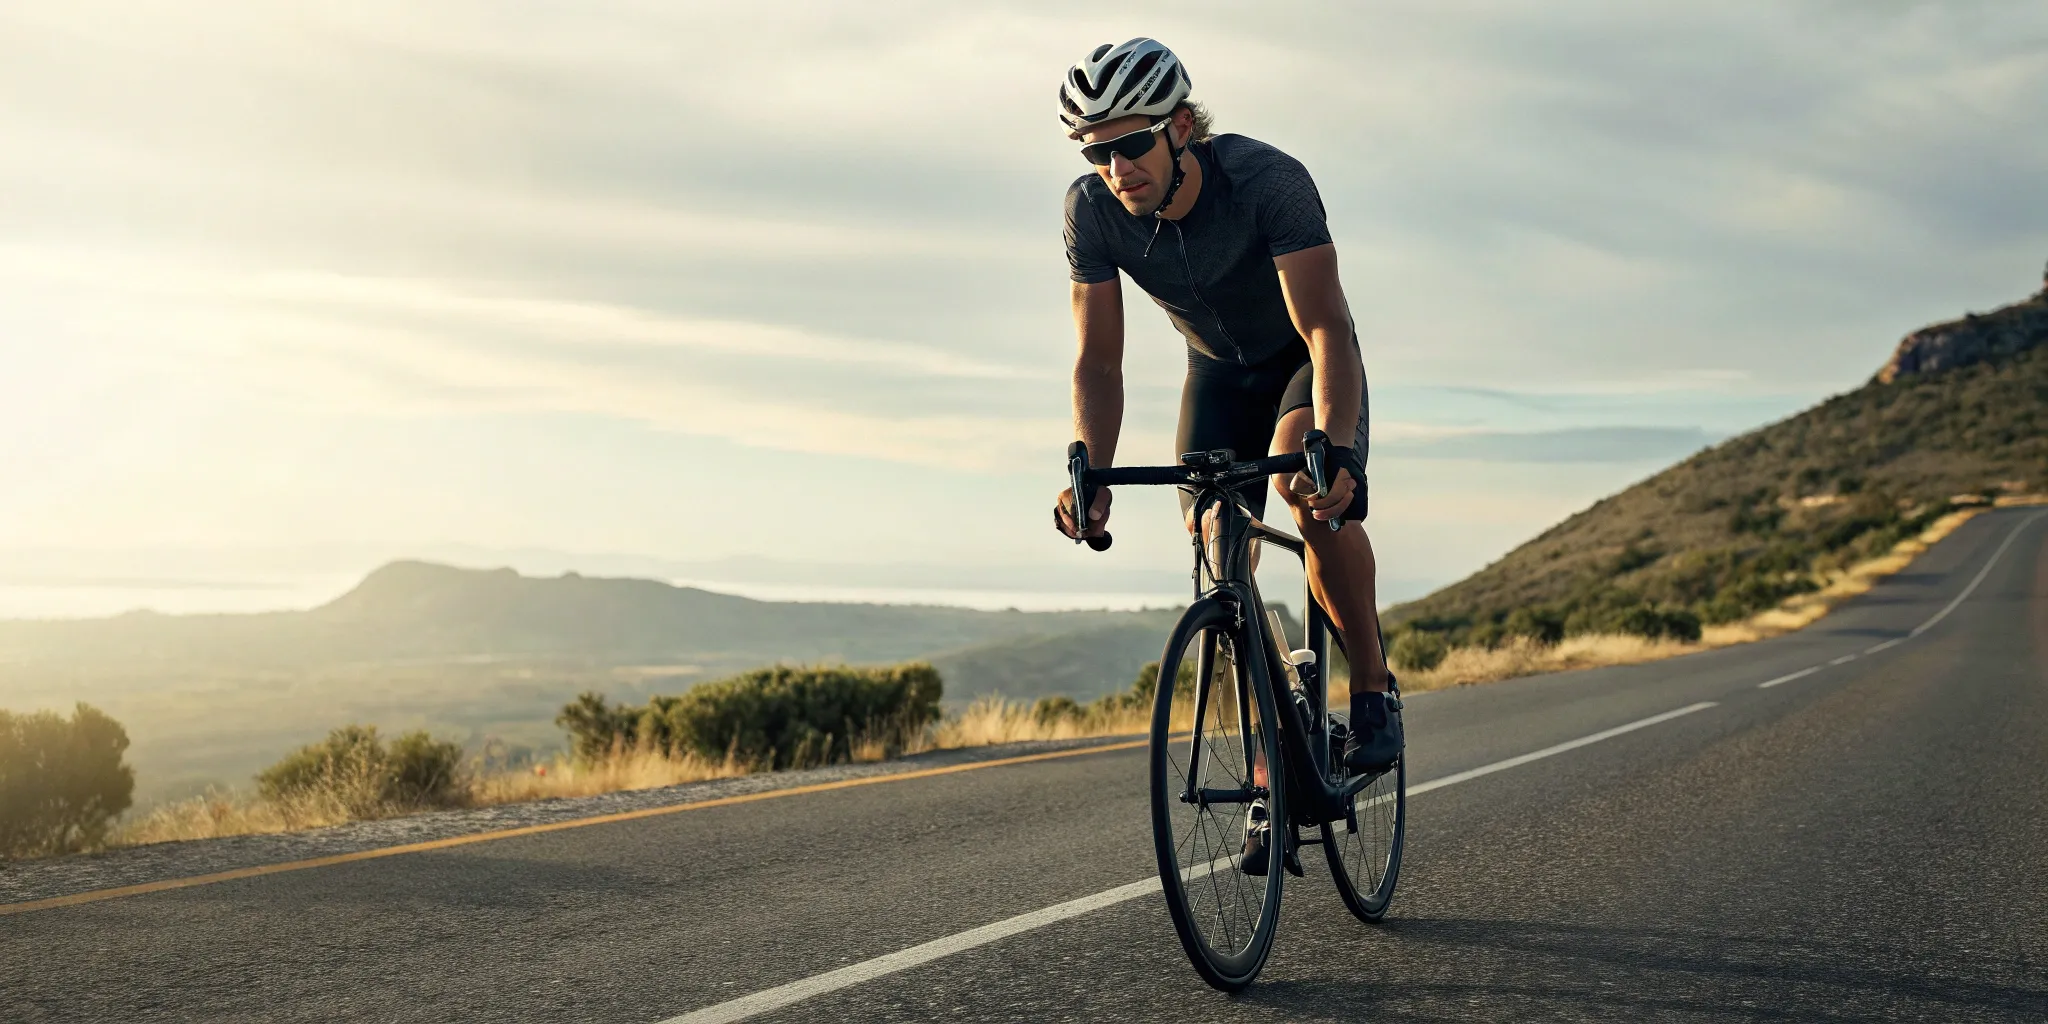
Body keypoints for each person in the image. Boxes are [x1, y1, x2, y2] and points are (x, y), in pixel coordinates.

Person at [1048, 38, 1401, 868]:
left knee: (1307, 494)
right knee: (1216, 544)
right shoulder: (1090, 212)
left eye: (1130, 144)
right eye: (1095, 151)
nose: (1114, 168)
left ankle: (1374, 687)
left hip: (1304, 368)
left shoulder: (1266, 182)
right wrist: (1087, 469)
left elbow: (1326, 329)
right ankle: (1272, 760)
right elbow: (1099, 362)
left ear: (1179, 128)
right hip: (1215, 377)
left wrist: (1339, 453)